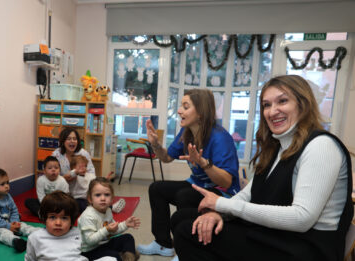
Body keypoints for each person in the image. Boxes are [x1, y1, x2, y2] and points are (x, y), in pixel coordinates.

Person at [172, 75, 353, 261]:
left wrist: (222, 204)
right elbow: (247, 194)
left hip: (305, 247)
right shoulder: (277, 147)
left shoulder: (321, 146)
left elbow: (302, 218)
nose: (272, 111)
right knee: (184, 218)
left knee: (188, 232)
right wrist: (217, 212)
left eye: (282, 101)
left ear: (303, 104)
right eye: (266, 105)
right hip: (279, 235)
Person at [137, 89, 240, 257]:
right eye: (181, 106)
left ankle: (185, 248)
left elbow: (227, 182)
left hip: (222, 192)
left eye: (185, 107)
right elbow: (167, 157)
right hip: (197, 184)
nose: (179, 111)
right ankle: (163, 244)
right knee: (157, 188)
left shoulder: (220, 138)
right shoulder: (186, 133)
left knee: (185, 195)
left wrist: (203, 163)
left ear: (200, 113)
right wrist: (155, 144)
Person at [0, 167, 39, 252]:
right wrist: (8, 226)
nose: (7, 186)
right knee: (2, 233)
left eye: (7, 183)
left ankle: (38, 232)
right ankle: (15, 241)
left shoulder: (7, 196)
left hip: (8, 223)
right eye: (2, 184)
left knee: (23, 226)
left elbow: (14, 210)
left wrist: (15, 222)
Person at [78, 177, 141, 261]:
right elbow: (89, 240)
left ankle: (128, 257)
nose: (103, 198)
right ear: (90, 199)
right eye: (98, 195)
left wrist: (125, 224)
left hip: (103, 244)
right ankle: (123, 256)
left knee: (128, 238)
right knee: (114, 256)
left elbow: (113, 230)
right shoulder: (88, 216)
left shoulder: (108, 210)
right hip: (89, 251)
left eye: (107, 195)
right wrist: (106, 230)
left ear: (112, 199)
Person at [25, 191, 85, 261]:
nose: (58, 223)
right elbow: (30, 259)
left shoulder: (80, 235)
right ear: (45, 218)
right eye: (52, 217)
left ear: (71, 221)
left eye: (64, 218)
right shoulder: (35, 238)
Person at [52, 128, 97, 210]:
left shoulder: (83, 153)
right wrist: (65, 178)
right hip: (63, 191)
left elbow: (92, 173)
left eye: (75, 139)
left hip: (81, 192)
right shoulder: (56, 155)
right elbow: (53, 177)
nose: (72, 141)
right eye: (69, 139)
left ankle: (108, 207)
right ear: (63, 141)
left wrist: (83, 175)